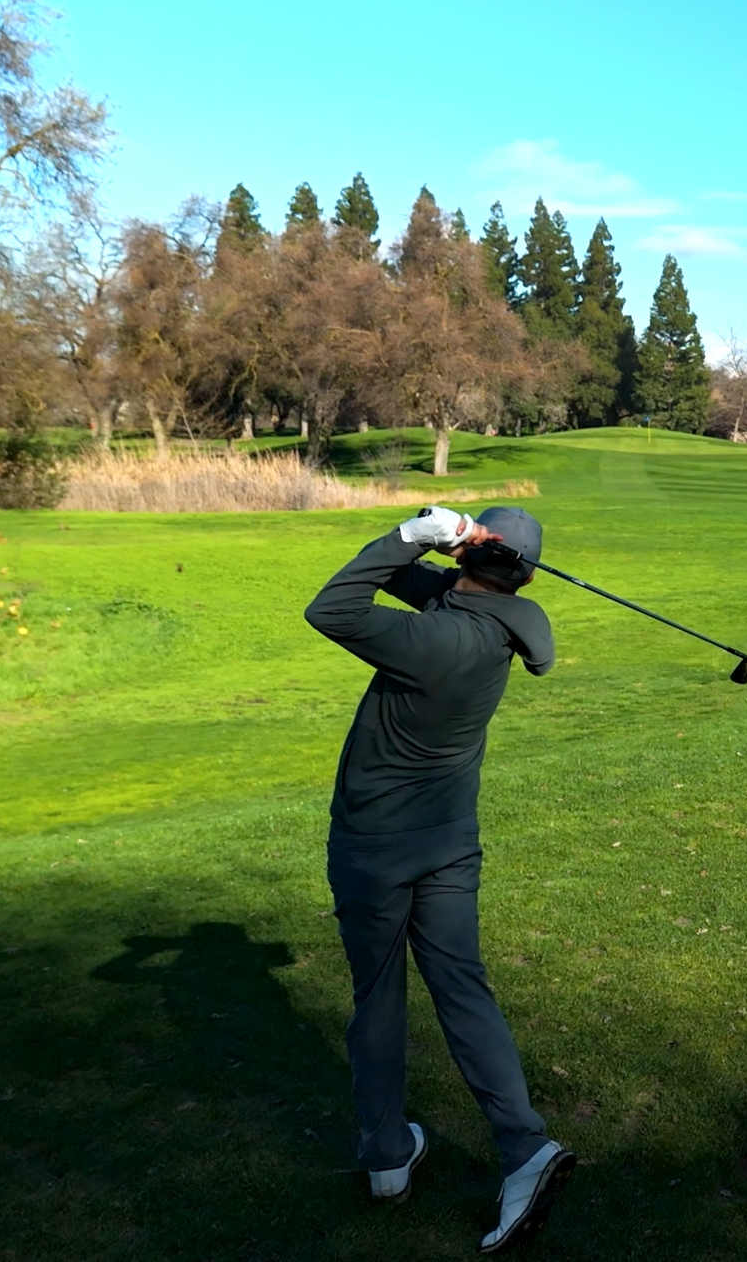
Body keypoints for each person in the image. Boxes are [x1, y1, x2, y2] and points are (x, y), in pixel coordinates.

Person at [305, 504, 576, 1252]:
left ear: (470, 564)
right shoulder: (514, 624)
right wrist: (442, 544)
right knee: (462, 986)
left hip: (375, 847)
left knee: (378, 997)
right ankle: (523, 1143)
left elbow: (331, 607)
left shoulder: (434, 640)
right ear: (525, 577)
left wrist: (409, 536)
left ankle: (387, 1153)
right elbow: (421, 586)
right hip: (449, 841)